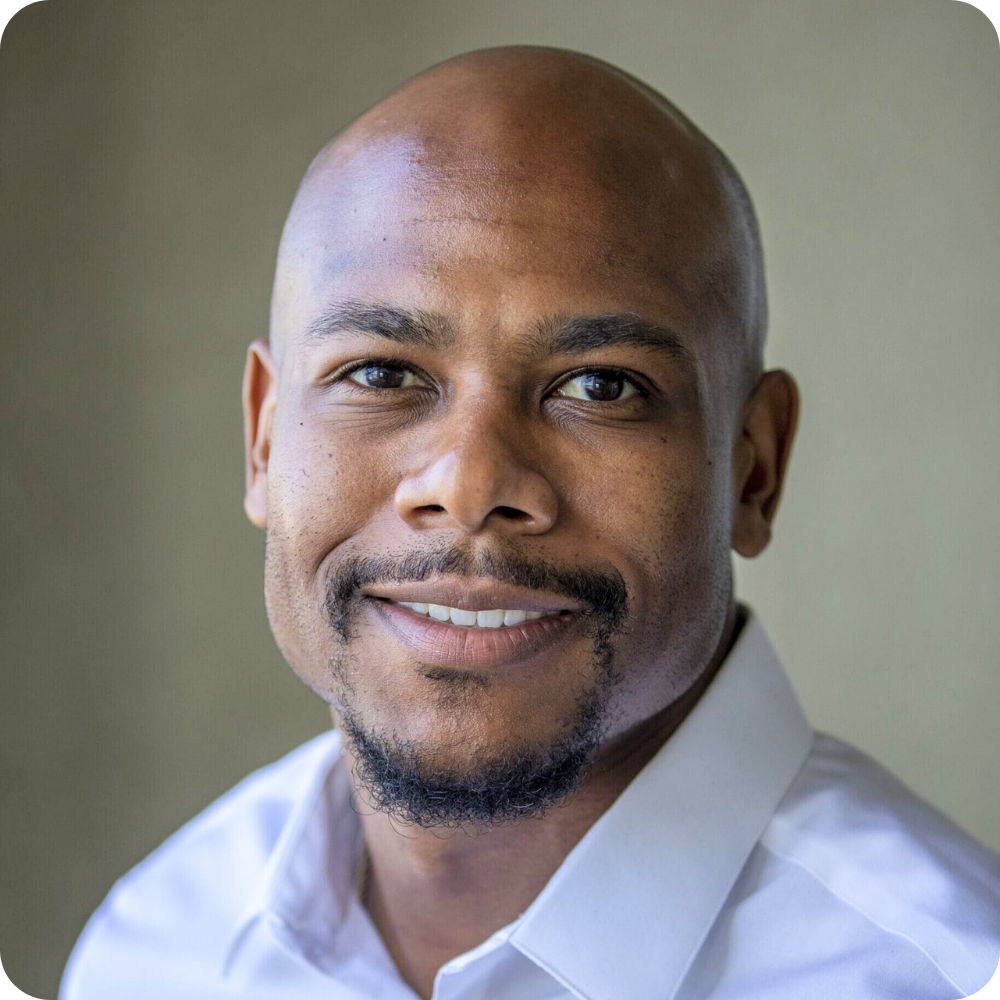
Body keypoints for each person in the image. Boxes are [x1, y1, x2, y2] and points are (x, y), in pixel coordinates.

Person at [59, 46, 999, 1000]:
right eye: (381, 374)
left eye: (601, 387)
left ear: (753, 469)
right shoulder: (155, 954)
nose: (469, 486)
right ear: (264, 439)